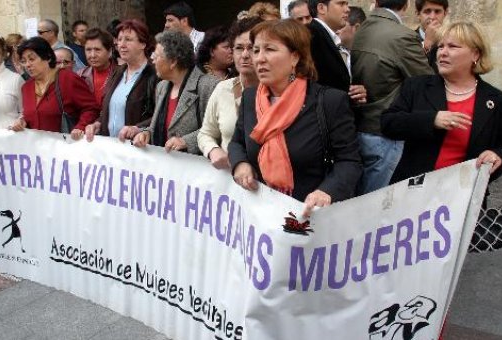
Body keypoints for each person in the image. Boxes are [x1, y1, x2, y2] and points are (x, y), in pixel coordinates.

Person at [228, 19, 361, 218]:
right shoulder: (250, 98)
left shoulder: (329, 101)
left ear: (295, 57)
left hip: (311, 218)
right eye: (256, 50)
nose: (259, 59)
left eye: (270, 49)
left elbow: (349, 161)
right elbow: (237, 141)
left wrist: (326, 192)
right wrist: (240, 164)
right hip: (261, 217)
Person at [381, 21, 502, 184]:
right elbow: (388, 123)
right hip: (413, 192)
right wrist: (432, 120)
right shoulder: (417, 86)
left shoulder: (498, 101)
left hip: (462, 195)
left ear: (475, 54)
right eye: (440, 46)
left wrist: (499, 155)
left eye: (452, 47)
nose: (442, 53)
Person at [351, 0, 433, 194]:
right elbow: (427, 84)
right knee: (377, 206)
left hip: (360, 127)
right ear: (406, 5)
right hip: (385, 132)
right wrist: (431, 46)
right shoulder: (403, 36)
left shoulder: (360, 30)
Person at [129, 30, 219, 155]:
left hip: (195, 169)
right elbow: (160, 126)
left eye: (157, 55)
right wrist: (146, 133)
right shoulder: (161, 87)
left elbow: (218, 130)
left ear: (173, 62)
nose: (152, 60)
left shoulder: (208, 86)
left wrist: (186, 141)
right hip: (165, 168)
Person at [197, 16, 262, 169]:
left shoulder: (277, 90)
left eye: (251, 48)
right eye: (239, 48)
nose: (245, 55)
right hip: (230, 183)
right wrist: (213, 150)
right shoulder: (222, 89)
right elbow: (205, 133)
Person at [11, 37, 99, 139]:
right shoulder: (26, 87)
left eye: (32, 59)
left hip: (66, 147)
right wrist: (22, 121)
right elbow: (32, 114)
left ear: (47, 57)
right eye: (23, 61)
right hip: (37, 149)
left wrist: (81, 126)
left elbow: (91, 108)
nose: (27, 65)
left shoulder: (67, 79)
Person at [85, 19, 157, 141]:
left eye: (128, 40)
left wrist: (138, 128)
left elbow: (161, 115)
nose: (122, 45)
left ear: (143, 44)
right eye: (119, 40)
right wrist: (97, 124)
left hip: (139, 149)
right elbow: (109, 110)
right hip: (112, 149)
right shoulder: (117, 72)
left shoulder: (154, 74)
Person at [308, 0, 366, 106]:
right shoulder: (312, 37)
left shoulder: (327, 37)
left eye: (347, 4)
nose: (347, 9)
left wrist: (354, 93)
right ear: (321, 8)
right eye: (341, 4)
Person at [77, 28, 116, 105]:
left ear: (109, 52)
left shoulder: (122, 74)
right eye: (88, 50)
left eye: (97, 50)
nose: (92, 55)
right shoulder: (80, 76)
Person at [415, 0, 449, 73]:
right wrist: (427, 45)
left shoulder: (452, 40)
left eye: (437, 11)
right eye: (427, 11)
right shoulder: (408, 39)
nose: (432, 17)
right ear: (418, 14)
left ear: (445, 13)